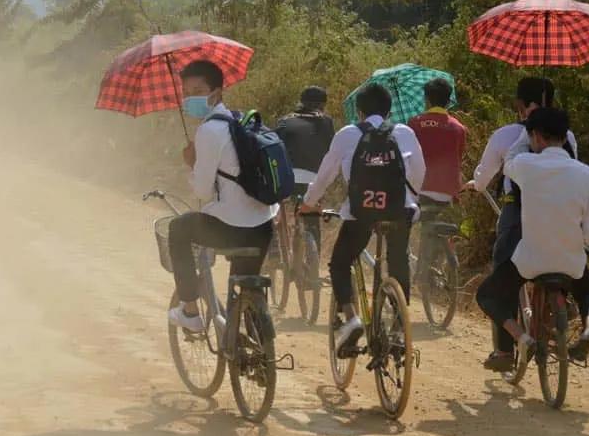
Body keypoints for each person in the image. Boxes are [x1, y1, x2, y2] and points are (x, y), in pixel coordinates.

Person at [300, 83, 426, 354]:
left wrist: (308, 203)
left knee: (340, 263)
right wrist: (408, 199)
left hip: (361, 213)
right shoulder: (404, 132)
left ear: (359, 111)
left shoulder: (347, 134)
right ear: (389, 110)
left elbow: (325, 175)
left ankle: (352, 318)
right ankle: (398, 327)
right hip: (399, 211)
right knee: (398, 261)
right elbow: (419, 172)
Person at [475, 108, 589, 370]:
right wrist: (579, 245)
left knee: (486, 295)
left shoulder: (526, 165)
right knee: (588, 292)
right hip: (571, 260)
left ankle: (522, 338)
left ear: (536, 137)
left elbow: (508, 162)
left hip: (530, 261)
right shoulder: (587, 174)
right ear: (566, 138)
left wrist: (524, 134)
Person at [167, 60, 279, 331]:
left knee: (178, 228)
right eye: (186, 92)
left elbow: (202, 191)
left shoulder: (209, 130)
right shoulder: (242, 122)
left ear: (215, 93)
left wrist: (192, 164)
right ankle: (255, 342)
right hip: (264, 225)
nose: (190, 97)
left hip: (230, 229)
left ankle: (191, 311)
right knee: (244, 281)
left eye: (197, 89)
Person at [468, 77, 577, 267]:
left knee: (503, 263)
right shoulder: (567, 135)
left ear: (523, 104)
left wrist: (477, 184)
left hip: (518, 208)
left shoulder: (506, 134)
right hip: (561, 209)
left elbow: (486, 175)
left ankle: (501, 294)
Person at [408, 78, 467, 284]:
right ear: (448, 101)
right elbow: (458, 161)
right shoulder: (459, 128)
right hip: (448, 191)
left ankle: (421, 272)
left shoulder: (415, 123)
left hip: (421, 189)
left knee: (408, 222)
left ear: (426, 99)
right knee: (440, 225)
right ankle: (438, 263)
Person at [276, 86, 335, 249]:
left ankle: (276, 244)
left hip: (287, 178)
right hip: (314, 181)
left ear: (301, 102)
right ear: (323, 105)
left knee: (278, 211)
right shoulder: (327, 122)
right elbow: (330, 151)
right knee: (311, 217)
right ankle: (312, 258)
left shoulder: (285, 120)